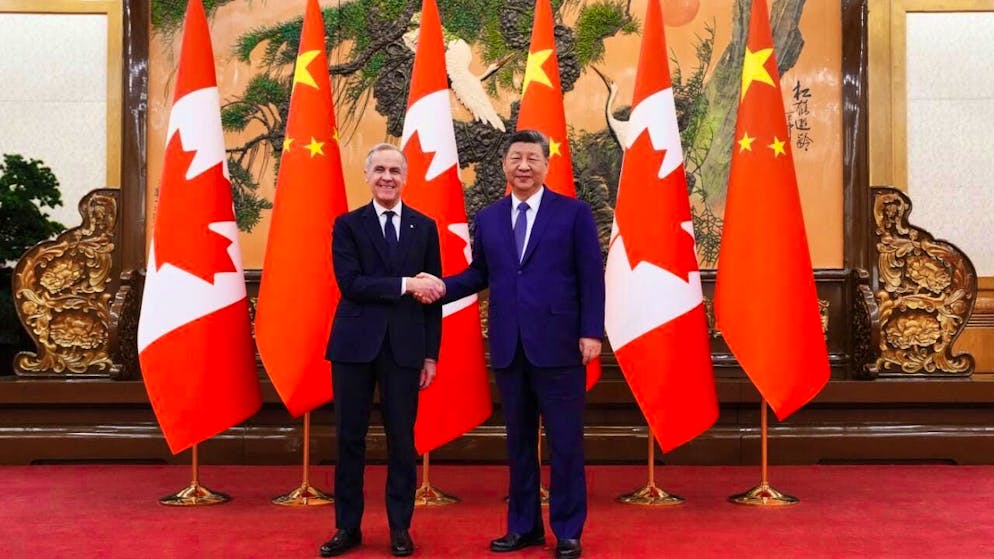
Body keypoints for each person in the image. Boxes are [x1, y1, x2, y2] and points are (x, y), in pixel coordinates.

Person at [421, 129, 604, 559]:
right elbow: (479, 274)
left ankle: (568, 530)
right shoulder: (487, 218)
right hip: (509, 347)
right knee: (519, 443)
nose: (524, 166)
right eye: (516, 158)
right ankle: (523, 528)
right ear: (504, 165)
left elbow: (591, 275)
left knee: (565, 443)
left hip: (561, 346)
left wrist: (592, 331)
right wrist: (438, 286)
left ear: (546, 165)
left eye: (532, 159)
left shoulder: (573, 213)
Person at [320, 143, 444, 558]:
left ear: (405, 177)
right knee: (349, 439)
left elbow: (433, 299)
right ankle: (347, 527)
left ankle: (400, 528)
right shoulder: (348, 225)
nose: (387, 177)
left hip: (406, 349)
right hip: (354, 348)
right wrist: (406, 284)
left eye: (395, 170)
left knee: (402, 441)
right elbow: (351, 284)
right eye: (380, 170)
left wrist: (431, 355)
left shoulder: (425, 227)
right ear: (367, 176)